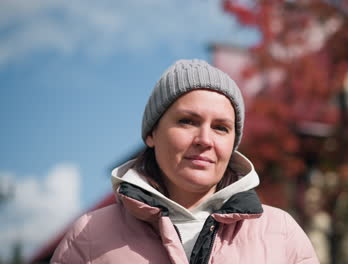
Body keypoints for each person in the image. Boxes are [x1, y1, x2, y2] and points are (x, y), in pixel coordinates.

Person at [51, 59, 320, 264]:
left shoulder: (281, 234)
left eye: (221, 127)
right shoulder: (88, 236)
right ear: (151, 134)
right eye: (187, 121)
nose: (205, 139)